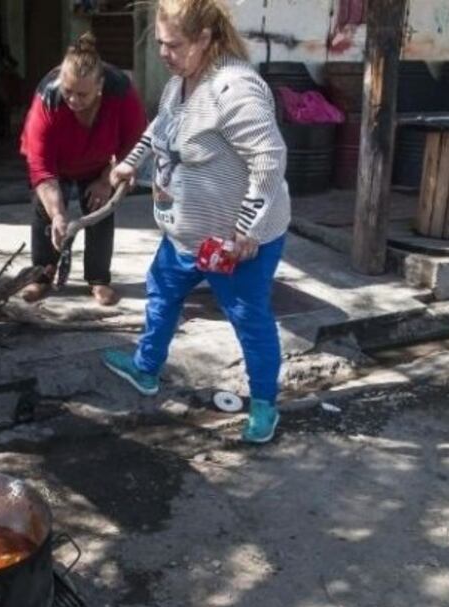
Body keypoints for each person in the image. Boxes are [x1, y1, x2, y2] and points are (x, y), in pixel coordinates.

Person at [102, 0, 291, 443]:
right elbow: (159, 126)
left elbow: (269, 161)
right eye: (160, 43)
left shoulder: (235, 89)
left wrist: (248, 229)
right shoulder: (181, 81)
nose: (164, 53)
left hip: (234, 241)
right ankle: (146, 368)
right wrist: (132, 163)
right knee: (162, 293)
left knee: (248, 317)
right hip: (185, 235)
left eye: (174, 44)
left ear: (206, 38)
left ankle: (264, 404)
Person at [19, 34, 147, 306]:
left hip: (100, 161)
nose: (73, 100)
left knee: (100, 208)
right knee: (48, 214)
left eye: (82, 94)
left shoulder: (122, 92)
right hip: (57, 163)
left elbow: (136, 140)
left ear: (100, 85)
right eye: (68, 91)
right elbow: (40, 166)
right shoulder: (48, 99)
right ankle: (41, 275)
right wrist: (58, 213)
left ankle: (99, 279)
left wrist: (106, 179)